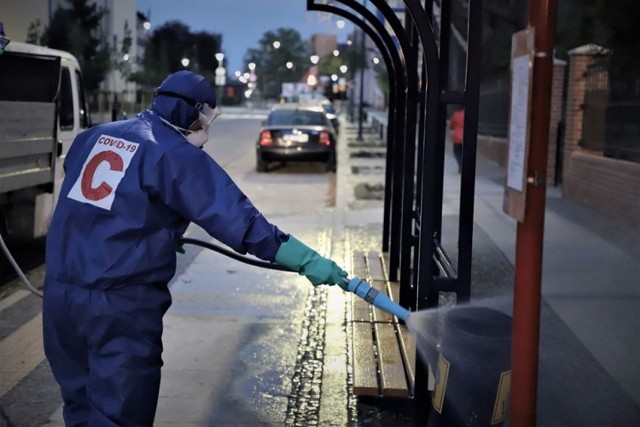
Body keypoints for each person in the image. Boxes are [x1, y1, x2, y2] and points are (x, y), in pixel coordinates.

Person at [42, 70, 347, 426]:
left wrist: (156, 229)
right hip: (119, 305)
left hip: (60, 298)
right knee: (119, 413)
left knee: (79, 405)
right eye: (206, 117)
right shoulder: (173, 154)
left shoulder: (94, 136)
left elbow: (100, 200)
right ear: (192, 111)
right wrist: (306, 260)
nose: (207, 128)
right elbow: (241, 222)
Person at [450, 107, 465, 173]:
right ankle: (462, 165)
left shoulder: (456, 114)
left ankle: (460, 164)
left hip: (457, 136)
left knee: (456, 152)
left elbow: (452, 125)